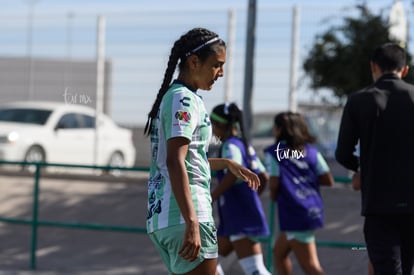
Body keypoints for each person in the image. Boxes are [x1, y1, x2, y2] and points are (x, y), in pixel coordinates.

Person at [144, 27, 260, 275]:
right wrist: (192, 221)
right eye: (217, 65)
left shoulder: (176, 97)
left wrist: (227, 163)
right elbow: (175, 161)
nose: (221, 73)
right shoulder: (183, 99)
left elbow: (186, 158)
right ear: (194, 61)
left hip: (165, 218)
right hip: (184, 215)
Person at [335, 42, 414, 275]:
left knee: (387, 269)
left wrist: (363, 168)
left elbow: (342, 153)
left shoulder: (359, 100)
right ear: (405, 69)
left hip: (379, 205)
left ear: (373, 67)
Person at [264, 111, 334, 275]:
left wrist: (275, 195)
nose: (273, 130)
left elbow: (273, 184)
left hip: (294, 212)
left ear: (280, 129)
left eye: (275, 126)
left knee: (311, 266)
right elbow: (328, 179)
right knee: (279, 253)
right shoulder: (311, 151)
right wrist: (305, 179)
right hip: (310, 210)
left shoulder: (275, 152)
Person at [209, 102, 271, 275]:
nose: (212, 131)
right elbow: (263, 177)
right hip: (235, 215)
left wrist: (212, 197)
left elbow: (232, 172)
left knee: (255, 270)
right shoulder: (244, 145)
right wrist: (251, 197)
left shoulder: (230, 146)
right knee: (207, 263)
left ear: (220, 125)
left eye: (212, 125)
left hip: (238, 215)